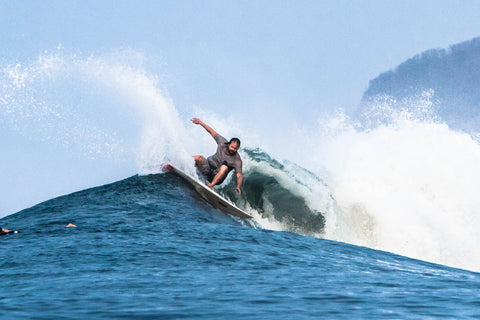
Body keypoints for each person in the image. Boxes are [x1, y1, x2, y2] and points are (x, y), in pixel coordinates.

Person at [191, 117, 243, 195]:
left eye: (236, 148)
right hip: (207, 167)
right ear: (228, 144)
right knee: (198, 158)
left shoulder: (237, 160)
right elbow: (211, 131)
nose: (233, 149)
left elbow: (239, 175)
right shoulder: (222, 142)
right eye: (232, 147)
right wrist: (200, 122)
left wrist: (238, 186)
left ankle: (210, 186)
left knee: (224, 167)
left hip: (215, 177)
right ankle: (181, 162)